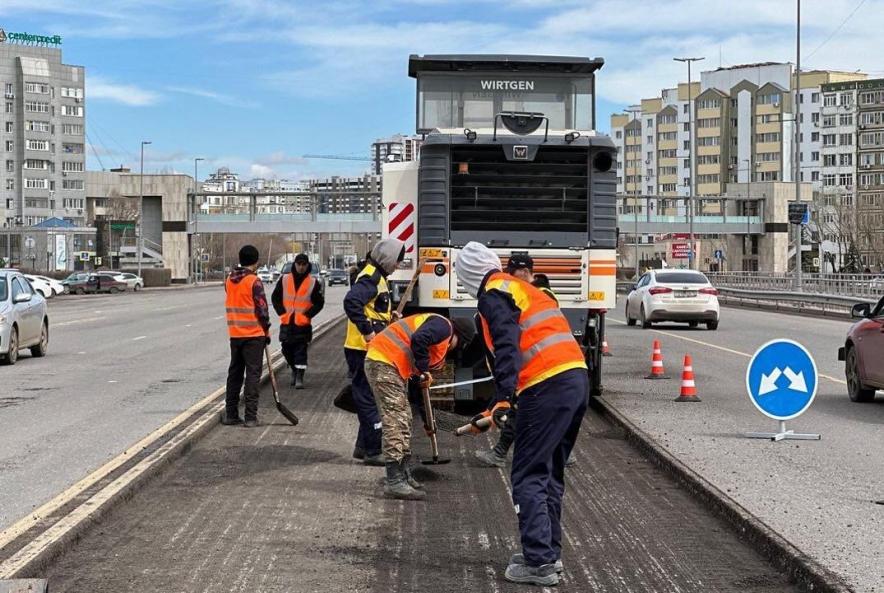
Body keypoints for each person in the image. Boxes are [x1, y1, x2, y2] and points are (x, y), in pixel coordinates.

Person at [456, 241, 588, 587]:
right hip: (575, 378)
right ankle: (546, 552)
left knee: (527, 474)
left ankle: (539, 562)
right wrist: (496, 405)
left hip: (546, 383)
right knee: (549, 472)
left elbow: (506, 342)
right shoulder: (522, 288)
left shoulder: (492, 293)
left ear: (469, 274)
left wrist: (502, 397)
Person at [365, 313, 476, 500]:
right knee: (396, 421)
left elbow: (419, 391)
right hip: (383, 361)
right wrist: (424, 369)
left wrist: (427, 420)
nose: (453, 349)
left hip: (389, 364)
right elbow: (419, 338)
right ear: (459, 336)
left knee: (405, 418)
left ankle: (403, 474)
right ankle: (394, 481)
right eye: (458, 345)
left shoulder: (436, 340)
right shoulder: (444, 326)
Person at [474, 270, 576, 470]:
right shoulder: (539, 295)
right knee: (549, 411)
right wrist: (492, 406)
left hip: (540, 365)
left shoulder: (528, 296)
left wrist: (504, 395)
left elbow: (509, 343)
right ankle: (563, 452)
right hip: (558, 365)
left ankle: (500, 453)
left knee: (523, 410)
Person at [343, 238, 405, 466]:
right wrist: (368, 332)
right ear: (387, 259)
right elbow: (351, 302)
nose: (398, 266)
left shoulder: (378, 278)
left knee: (367, 396)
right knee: (368, 398)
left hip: (367, 347)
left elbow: (373, 309)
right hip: (361, 347)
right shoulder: (372, 277)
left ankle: (362, 447)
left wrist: (390, 318)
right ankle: (372, 450)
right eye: (397, 261)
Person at [223, 245, 271, 428]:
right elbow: (262, 310)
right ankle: (250, 417)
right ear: (256, 262)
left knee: (234, 374)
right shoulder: (254, 282)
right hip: (253, 335)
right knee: (252, 375)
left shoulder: (229, 280)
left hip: (235, 334)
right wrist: (266, 330)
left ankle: (231, 414)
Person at [271, 253, 324, 389]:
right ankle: (294, 370)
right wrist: (281, 312)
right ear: (295, 264)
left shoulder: (313, 283)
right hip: (287, 322)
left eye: (303, 264)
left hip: (302, 324)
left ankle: (299, 376)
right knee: (286, 349)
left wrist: (308, 314)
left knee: (300, 351)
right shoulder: (284, 279)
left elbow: (319, 302)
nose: (301, 267)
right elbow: (275, 298)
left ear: (307, 266)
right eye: (299, 264)